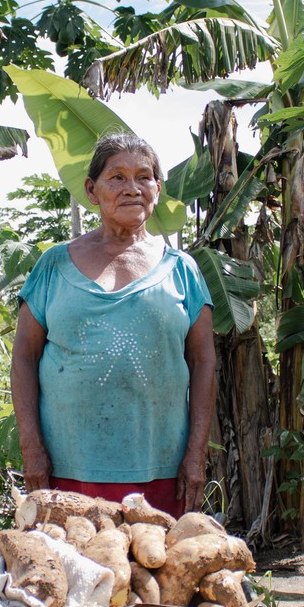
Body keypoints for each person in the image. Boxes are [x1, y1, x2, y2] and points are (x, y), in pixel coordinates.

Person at [11, 133, 216, 519]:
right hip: (67, 469)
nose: (132, 188)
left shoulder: (183, 270)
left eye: (144, 177)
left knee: (152, 571)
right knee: (74, 569)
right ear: (92, 190)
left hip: (160, 470)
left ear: (157, 189)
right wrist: (31, 447)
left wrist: (195, 455)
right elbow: (23, 356)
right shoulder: (54, 266)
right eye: (117, 177)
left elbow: (204, 362)